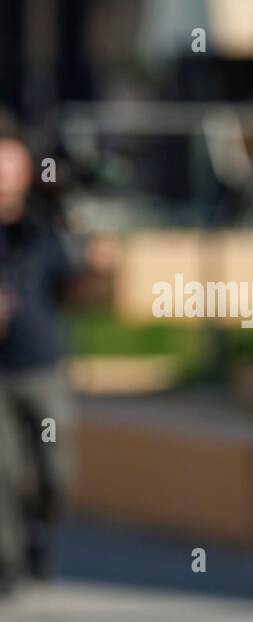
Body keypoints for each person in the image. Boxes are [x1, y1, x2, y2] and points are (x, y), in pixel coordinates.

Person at [0, 131, 79, 596]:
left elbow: (71, 286)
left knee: (56, 470)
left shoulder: (44, 224)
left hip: (41, 365)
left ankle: (38, 532)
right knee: (3, 471)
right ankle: (7, 562)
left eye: (11, 168)